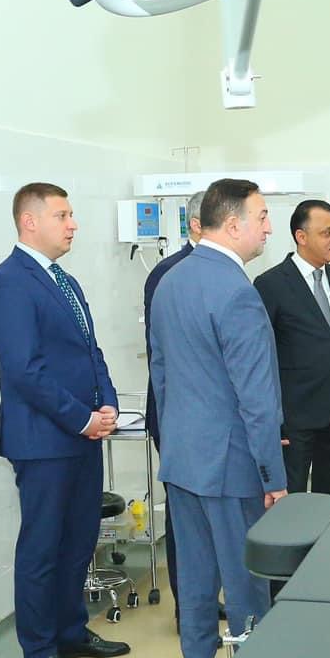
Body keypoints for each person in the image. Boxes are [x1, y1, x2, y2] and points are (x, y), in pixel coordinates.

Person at [0, 182, 131, 658]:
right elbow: (24, 369)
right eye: (62, 215)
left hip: (82, 435)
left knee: (79, 540)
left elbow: (91, 351)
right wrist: (80, 418)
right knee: (42, 547)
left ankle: (71, 631)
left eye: (71, 215)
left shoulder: (63, 280)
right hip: (44, 441)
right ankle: (39, 652)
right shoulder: (8, 283)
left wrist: (107, 403)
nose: (73, 224)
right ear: (30, 222)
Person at [149, 178, 286, 658]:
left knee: (196, 580)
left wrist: (176, 445)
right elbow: (257, 399)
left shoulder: (170, 281)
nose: (269, 228)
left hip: (183, 460)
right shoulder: (237, 293)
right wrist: (273, 476)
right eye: (263, 216)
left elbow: (162, 377)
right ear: (233, 225)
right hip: (231, 465)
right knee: (246, 581)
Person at [254, 198, 330, 498]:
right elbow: (261, 356)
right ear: (301, 237)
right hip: (293, 417)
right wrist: (272, 417)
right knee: (291, 500)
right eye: (327, 233)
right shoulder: (270, 284)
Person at [142, 193, 204, 614]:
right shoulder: (169, 273)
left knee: (208, 518)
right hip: (178, 414)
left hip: (207, 416)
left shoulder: (221, 271)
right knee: (184, 517)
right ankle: (189, 609)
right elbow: (166, 356)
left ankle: (204, 599)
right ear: (197, 224)